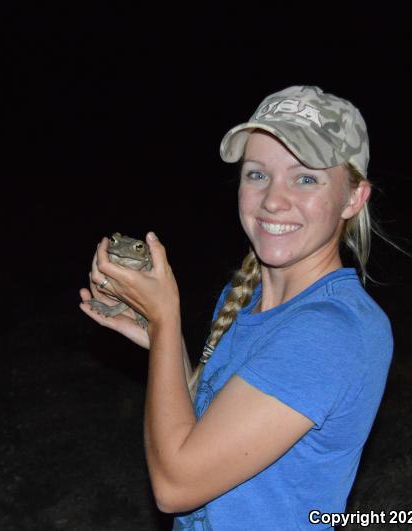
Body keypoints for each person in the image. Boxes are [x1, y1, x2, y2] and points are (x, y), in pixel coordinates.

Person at [79, 85, 393, 530]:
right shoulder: (242, 295)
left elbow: (176, 484)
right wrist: (156, 334)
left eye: (306, 178)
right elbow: (206, 427)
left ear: (353, 198)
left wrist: (168, 322)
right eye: (257, 174)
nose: (272, 200)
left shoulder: (332, 332)